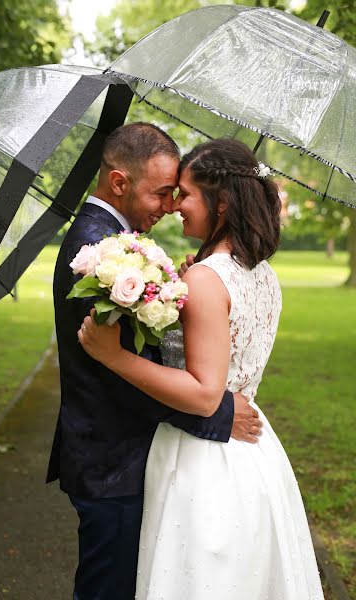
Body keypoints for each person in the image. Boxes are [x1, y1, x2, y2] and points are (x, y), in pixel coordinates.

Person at [79, 137, 325, 599]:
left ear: (222, 201)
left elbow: (205, 394)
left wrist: (114, 356)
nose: (176, 206)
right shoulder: (259, 272)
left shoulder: (207, 278)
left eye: (187, 194)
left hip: (204, 463)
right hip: (254, 455)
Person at [47, 123, 262, 600]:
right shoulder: (97, 252)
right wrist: (219, 412)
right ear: (119, 182)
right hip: (112, 462)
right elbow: (117, 371)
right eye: (162, 193)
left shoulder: (114, 239)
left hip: (123, 458)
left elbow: (140, 349)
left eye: (176, 195)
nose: (168, 208)